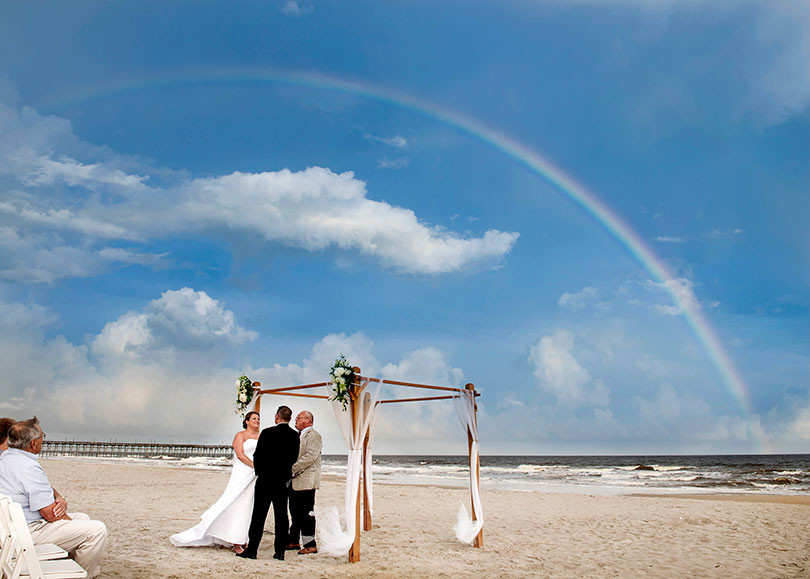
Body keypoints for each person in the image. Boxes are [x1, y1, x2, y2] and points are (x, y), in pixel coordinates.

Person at [0, 417, 107, 578]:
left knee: (84, 519)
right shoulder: (29, 467)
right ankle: (85, 575)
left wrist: (58, 498)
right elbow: (49, 514)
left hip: (13, 529)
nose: (43, 440)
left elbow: (39, 490)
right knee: (97, 530)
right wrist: (69, 521)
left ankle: (74, 570)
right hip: (28, 532)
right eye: (42, 436)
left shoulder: (6, 459)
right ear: (33, 443)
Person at [171, 411, 261, 551]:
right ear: (247, 421)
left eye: (258, 419)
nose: (257, 421)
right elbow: (240, 455)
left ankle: (243, 539)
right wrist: (255, 466)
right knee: (233, 501)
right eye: (254, 418)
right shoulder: (240, 435)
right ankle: (234, 541)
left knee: (249, 505)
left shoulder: (261, 436)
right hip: (243, 472)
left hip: (255, 475)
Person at [236, 405, 299, 561]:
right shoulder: (294, 435)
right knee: (282, 517)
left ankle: (252, 551)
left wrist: (260, 472)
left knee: (258, 516)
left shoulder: (267, 432)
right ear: (290, 419)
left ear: (277, 417)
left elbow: (259, 455)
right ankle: (279, 552)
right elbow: (294, 457)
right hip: (282, 481)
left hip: (265, 479)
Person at [287, 410, 322, 555]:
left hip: (307, 481)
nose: (295, 420)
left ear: (308, 421)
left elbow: (310, 457)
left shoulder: (314, 436)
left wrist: (291, 469)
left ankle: (310, 544)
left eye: (298, 418)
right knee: (295, 512)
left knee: (307, 513)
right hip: (295, 482)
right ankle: (294, 540)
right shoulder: (297, 435)